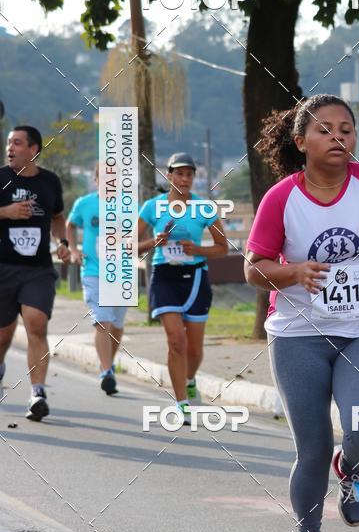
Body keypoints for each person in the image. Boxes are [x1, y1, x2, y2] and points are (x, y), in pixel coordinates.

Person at [245, 94, 359, 532]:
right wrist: (294, 272)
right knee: (312, 447)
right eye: (325, 129)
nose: (339, 136)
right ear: (301, 142)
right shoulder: (282, 198)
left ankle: (351, 465)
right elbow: (254, 269)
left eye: (346, 128)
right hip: (298, 334)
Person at [137, 153, 228, 423]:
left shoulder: (205, 208)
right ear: (169, 176)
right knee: (176, 340)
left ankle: (189, 379)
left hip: (197, 278)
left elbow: (222, 248)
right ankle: (181, 403)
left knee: (194, 350)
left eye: (189, 174)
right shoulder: (152, 207)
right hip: (165, 276)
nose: (184, 179)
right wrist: (154, 242)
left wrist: (197, 249)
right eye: (179, 173)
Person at [0, 125, 70, 420]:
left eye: (16, 143)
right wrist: (6, 212)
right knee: (2, 337)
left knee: (37, 323)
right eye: (8, 144)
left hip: (38, 269)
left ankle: (37, 393)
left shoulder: (50, 182)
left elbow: (57, 217)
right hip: (3, 269)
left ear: (34, 149)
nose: (9, 148)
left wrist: (62, 241)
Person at [67, 164, 127, 395]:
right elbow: (70, 226)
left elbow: (142, 230)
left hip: (121, 274)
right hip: (93, 272)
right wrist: (73, 250)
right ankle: (106, 372)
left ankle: (107, 364)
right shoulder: (84, 203)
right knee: (103, 322)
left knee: (117, 326)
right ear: (96, 179)